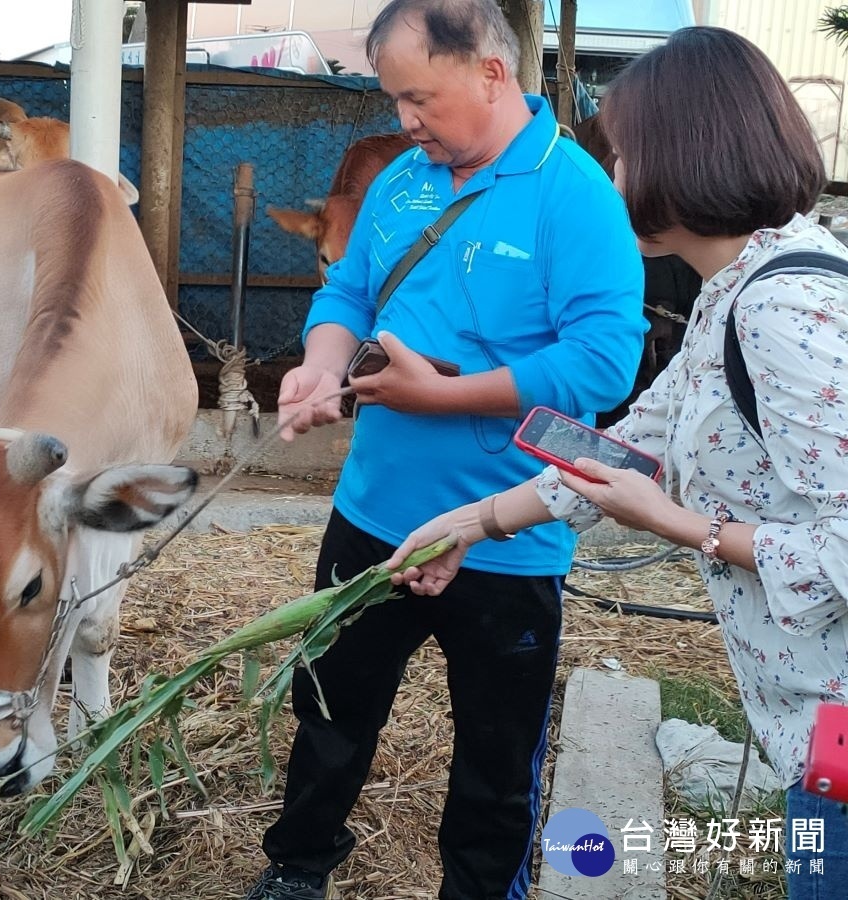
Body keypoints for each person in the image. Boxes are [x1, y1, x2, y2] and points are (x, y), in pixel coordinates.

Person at [387, 26, 848, 898]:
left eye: (623, 153)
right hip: (815, 728)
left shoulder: (783, 312)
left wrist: (679, 525)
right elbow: (626, 447)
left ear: (683, 153)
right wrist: (470, 525)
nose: (612, 177)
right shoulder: (739, 290)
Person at [244, 1, 646, 897]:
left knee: (495, 757)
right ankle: (298, 864)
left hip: (509, 534)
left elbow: (603, 363)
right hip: (374, 513)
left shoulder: (572, 194)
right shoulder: (401, 181)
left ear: (491, 73)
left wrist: (443, 395)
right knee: (330, 710)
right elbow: (348, 290)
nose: (405, 120)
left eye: (418, 97)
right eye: (394, 100)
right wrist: (318, 365)